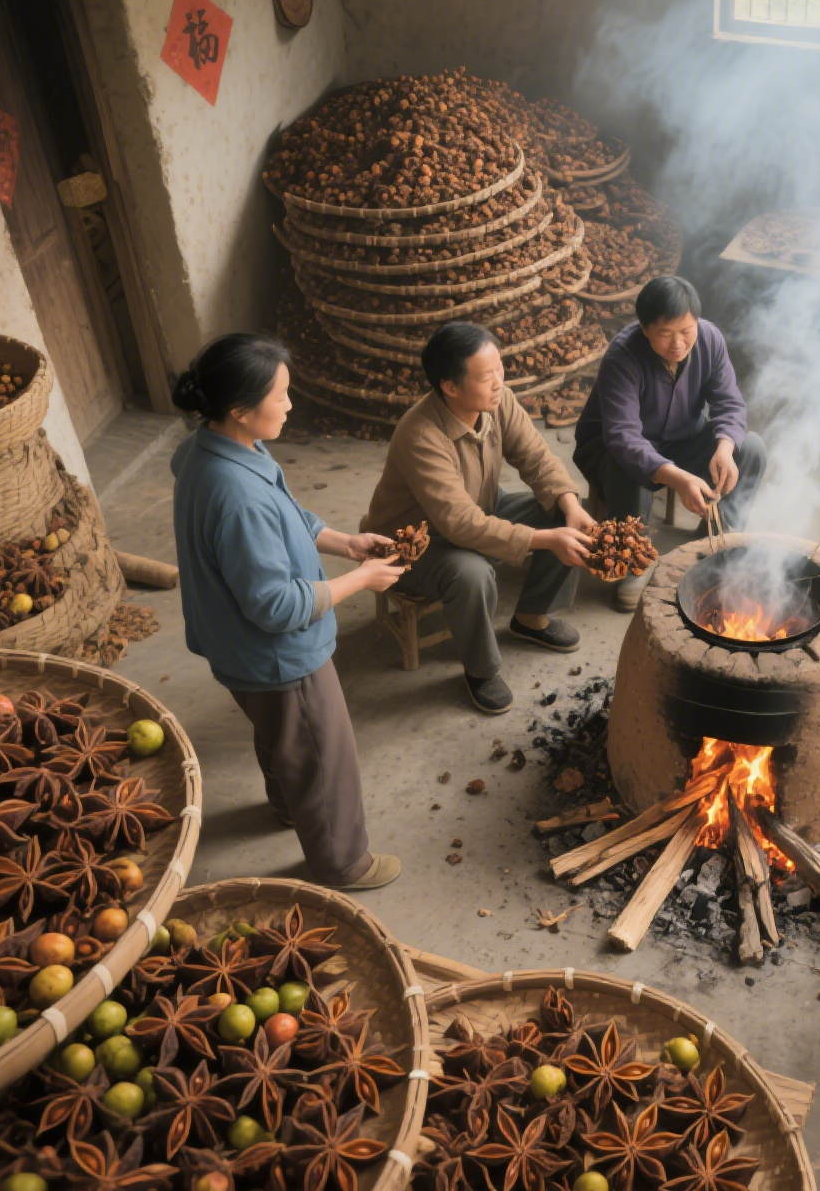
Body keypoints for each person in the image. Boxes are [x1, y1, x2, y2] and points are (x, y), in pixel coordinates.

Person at [171, 334, 404, 892]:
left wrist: (343, 542)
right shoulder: (237, 496)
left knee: (283, 738)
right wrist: (363, 579)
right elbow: (275, 605)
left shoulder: (214, 448)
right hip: (280, 656)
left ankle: (288, 805)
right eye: (282, 395)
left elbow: (288, 509)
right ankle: (342, 862)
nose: (291, 405)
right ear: (240, 409)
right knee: (324, 753)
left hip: (236, 649)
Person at [364, 321, 594, 715]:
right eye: (487, 377)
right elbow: (459, 524)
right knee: (471, 573)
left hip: (481, 506)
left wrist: (570, 507)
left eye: (500, 371)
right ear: (450, 386)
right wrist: (546, 540)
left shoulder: (498, 402)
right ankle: (480, 669)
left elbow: (537, 458)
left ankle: (531, 617)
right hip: (417, 541)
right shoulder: (421, 435)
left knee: (559, 510)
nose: (499, 384)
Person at [574, 276, 766, 610]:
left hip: (682, 436)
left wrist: (724, 447)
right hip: (612, 447)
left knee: (750, 447)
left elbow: (730, 404)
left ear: (697, 322)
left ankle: (710, 545)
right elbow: (623, 437)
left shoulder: (709, 339)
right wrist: (679, 478)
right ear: (645, 328)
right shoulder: (623, 355)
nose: (678, 343)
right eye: (665, 333)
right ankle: (634, 559)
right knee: (627, 468)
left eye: (686, 331)